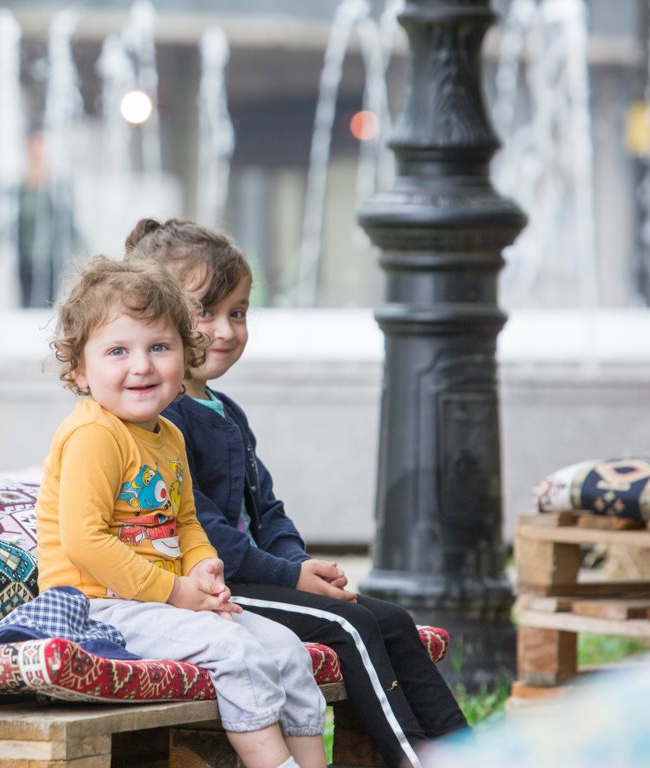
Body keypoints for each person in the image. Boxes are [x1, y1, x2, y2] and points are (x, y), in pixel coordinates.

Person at [126, 218, 469, 768]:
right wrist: (288, 578)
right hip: (215, 588)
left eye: (238, 312)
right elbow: (201, 529)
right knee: (349, 626)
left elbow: (266, 509)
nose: (225, 330)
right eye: (205, 311)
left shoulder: (225, 411)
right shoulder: (161, 420)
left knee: (393, 620)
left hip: (260, 575)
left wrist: (299, 564)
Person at [37, 255, 328, 768]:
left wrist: (201, 565)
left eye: (159, 347)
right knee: (236, 651)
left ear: (186, 354)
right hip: (98, 605)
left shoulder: (169, 435)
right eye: (117, 351)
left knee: (286, 649)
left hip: (160, 602)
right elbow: (84, 541)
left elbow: (186, 521)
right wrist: (174, 591)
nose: (142, 365)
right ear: (80, 369)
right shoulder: (94, 435)